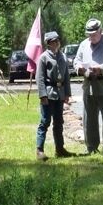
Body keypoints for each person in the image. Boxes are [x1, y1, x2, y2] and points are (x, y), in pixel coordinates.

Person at [73, 18, 103, 155]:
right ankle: (91, 147)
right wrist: (79, 68)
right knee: (89, 120)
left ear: (100, 31)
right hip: (89, 86)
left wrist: (100, 68)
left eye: (94, 34)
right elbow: (77, 60)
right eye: (89, 35)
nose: (91, 37)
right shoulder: (83, 45)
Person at [35, 30, 74, 161]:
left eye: (58, 40)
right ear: (49, 43)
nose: (57, 43)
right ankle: (39, 150)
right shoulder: (44, 58)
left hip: (60, 94)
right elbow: (39, 78)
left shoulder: (62, 57)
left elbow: (66, 77)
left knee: (59, 122)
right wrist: (42, 95)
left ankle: (60, 149)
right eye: (54, 41)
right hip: (48, 93)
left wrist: (67, 93)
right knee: (45, 122)